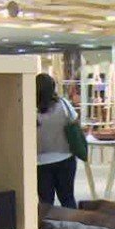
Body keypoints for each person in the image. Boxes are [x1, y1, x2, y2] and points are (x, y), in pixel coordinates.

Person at [35, 74, 78, 208]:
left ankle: (47, 222)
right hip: (66, 158)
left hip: (41, 162)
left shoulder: (31, 110)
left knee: (46, 203)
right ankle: (72, 222)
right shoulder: (64, 104)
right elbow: (75, 122)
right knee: (68, 199)